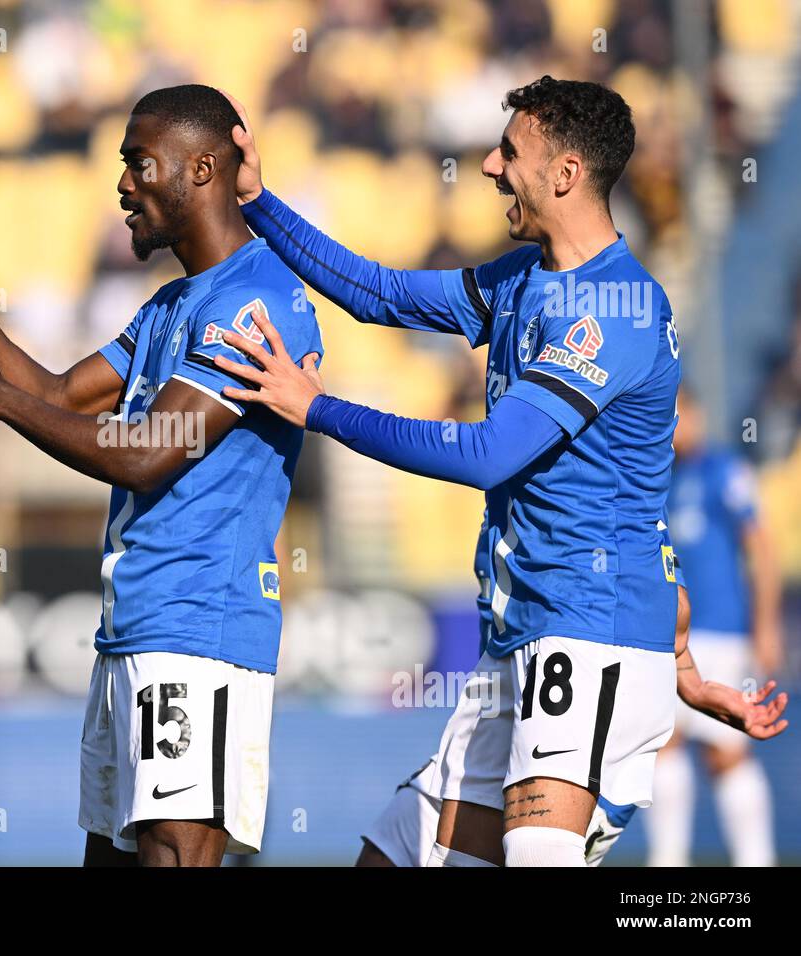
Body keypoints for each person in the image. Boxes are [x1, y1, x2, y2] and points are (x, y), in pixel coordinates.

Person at [220, 76, 681, 866]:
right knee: (392, 857)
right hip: (521, 643)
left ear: (565, 174)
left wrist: (318, 408)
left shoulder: (613, 311)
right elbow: (381, 294)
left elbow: (486, 454)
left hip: (590, 635)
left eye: (511, 152)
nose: (490, 168)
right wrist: (258, 202)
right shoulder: (523, 279)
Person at [0, 85, 322, 866]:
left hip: (199, 624)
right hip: (133, 629)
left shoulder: (256, 302)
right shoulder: (173, 304)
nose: (124, 184)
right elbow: (63, 396)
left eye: (141, 163)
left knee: (176, 855)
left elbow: (145, 452)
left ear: (202, 168)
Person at [361, 582, 788, 866]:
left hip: (576, 681)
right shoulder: (518, 492)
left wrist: (348, 436)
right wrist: (692, 682)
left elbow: (671, 598)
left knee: (534, 849)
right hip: (502, 684)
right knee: (393, 844)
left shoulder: (577, 463)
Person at [648, 388, 785, 866]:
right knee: (664, 743)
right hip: (670, 635)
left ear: (699, 416)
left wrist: (766, 626)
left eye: (680, 413)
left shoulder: (724, 469)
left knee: (725, 753)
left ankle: (756, 860)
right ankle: (668, 860)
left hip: (723, 630)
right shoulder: (655, 479)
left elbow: (762, 549)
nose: (674, 424)